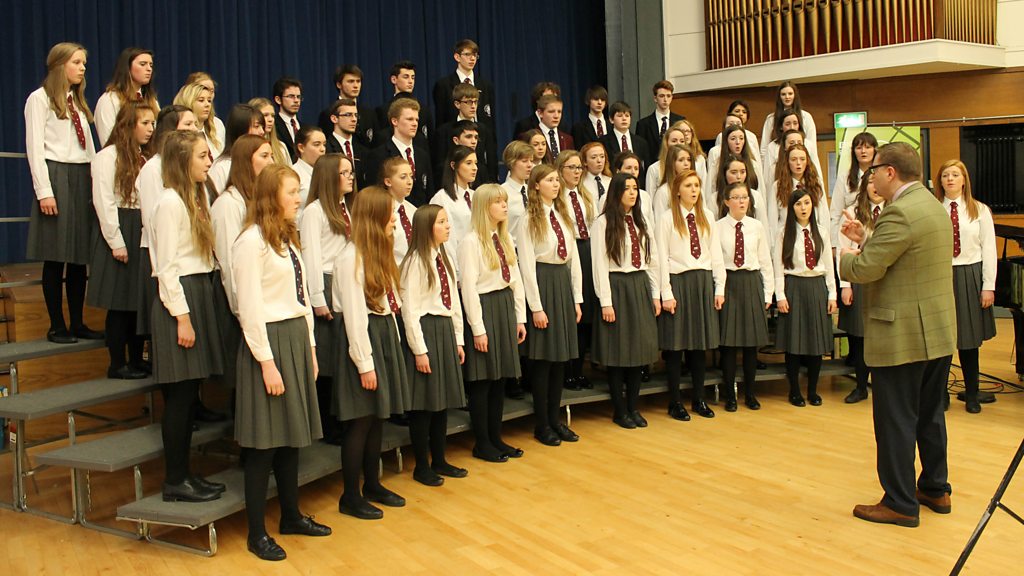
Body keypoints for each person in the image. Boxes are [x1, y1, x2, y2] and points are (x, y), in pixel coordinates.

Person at [841, 142, 956, 528]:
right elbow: (905, 256)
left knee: (895, 419)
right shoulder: (932, 205)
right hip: (936, 331)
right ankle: (935, 488)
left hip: (903, 334)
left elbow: (866, 270)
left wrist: (844, 255)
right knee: (929, 415)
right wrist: (866, 239)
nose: (870, 176)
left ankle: (900, 503)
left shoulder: (899, 212)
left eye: (874, 169)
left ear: (890, 172)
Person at [233, 164, 331, 561]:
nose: (298, 198)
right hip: (268, 344)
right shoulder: (250, 242)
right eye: (291, 192)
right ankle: (256, 533)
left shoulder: (287, 239)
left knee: (291, 437)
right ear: (271, 196)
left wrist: (310, 348)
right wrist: (266, 362)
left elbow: (301, 296)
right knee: (264, 445)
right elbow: (249, 308)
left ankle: (291, 516)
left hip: (294, 338)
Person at [149, 130, 224, 502]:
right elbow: (166, 268)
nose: (209, 162)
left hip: (197, 292)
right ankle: (175, 480)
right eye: (202, 156)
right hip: (178, 300)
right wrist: (182, 317)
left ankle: (187, 474)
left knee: (190, 394)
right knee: (179, 398)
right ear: (182, 161)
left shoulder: (194, 197)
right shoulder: (168, 203)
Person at [332, 187, 411, 520]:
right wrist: (365, 363)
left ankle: (373, 484)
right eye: (389, 214)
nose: (395, 220)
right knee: (361, 420)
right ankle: (350, 495)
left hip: (381, 333)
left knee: (378, 416)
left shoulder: (379, 251)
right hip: (362, 340)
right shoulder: (351, 257)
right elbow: (354, 316)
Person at [25, 42, 103, 344]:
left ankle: (78, 322)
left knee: (79, 257)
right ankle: (56, 325)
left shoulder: (77, 102)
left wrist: (96, 180)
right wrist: (44, 191)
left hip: (81, 175)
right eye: (76, 62)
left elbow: (89, 148)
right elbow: (35, 149)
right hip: (57, 176)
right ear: (59, 65)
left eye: (84, 63)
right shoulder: (39, 99)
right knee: (56, 255)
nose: (83, 68)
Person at [399, 205, 470, 486]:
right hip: (426, 332)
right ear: (427, 227)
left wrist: (458, 339)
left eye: (447, 221)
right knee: (424, 405)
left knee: (441, 403)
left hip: (443, 330)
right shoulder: (415, 262)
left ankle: (440, 459)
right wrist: (419, 350)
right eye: (442, 222)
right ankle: (421, 466)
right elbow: (410, 310)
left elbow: (453, 303)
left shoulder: (443, 256)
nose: (448, 226)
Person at [458, 184, 528, 462]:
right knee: (483, 380)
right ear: (484, 207)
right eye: (498, 202)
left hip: (503, 306)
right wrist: (478, 329)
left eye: (505, 201)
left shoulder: (504, 237)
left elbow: (515, 279)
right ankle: (482, 442)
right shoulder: (470, 242)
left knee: (500, 379)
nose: (504, 206)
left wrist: (519, 317)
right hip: (484, 309)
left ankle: (496, 438)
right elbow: (469, 289)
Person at [88, 101, 155, 378]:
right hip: (120, 227)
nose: (151, 129)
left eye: (152, 123)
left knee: (136, 301)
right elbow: (103, 201)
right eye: (145, 123)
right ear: (128, 125)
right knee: (119, 302)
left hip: (140, 226)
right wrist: (116, 241)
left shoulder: (145, 157)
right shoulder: (107, 157)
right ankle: (117, 363)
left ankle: (137, 359)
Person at [517, 164, 583, 445]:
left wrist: (576, 298)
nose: (556, 185)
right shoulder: (527, 220)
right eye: (549, 180)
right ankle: (542, 423)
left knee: (560, 360)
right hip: (543, 284)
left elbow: (573, 259)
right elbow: (526, 266)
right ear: (536, 186)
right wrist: (536, 307)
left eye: (557, 180)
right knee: (544, 361)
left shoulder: (562, 214)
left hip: (561, 284)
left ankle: (556, 420)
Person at [591, 173, 660, 428]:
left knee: (638, 351)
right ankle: (620, 410)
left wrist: (655, 294)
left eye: (635, 188)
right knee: (618, 352)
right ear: (616, 192)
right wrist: (606, 301)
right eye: (627, 188)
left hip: (639, 284)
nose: (632, 192)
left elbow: (652, 260)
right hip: (617, 286)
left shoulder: (641, 221)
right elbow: (599, 265)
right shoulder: (603, 223)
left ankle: (633, 406)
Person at [300, 154, 356, 445]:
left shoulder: (347, 206)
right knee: (327, 357)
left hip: (345, 283)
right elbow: (310, 256)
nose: (350, 177)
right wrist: (317, 298)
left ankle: (341, 417)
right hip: (325, 283)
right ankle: (326, 424)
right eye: (344, 173)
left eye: (350, 172)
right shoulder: (314, 211)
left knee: (342, 353)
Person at [656, 170, 722, 420]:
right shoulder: (666, 219)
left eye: (696, 185)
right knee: (676, 346)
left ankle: (699, 399)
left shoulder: (707, 216)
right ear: (677, 191)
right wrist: (666, 292)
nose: (693, 190)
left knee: (698, 346)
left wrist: (719, 287)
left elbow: (715, 254)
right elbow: (661, 257)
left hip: (702, 282)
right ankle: (675, 401)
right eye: (688, 185)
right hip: (678, 281)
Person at [211, 135, 274, 392]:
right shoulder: (228, 203)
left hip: (260, 297)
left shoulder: (259, 198)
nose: (271, 162)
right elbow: (228, 263)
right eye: (264, 156)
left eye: (271, 155)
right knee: (243, 376)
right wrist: (242, 312)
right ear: (247, 161)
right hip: (236, 301)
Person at [935, 160, 996, 414]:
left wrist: (988, 286)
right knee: (941, 340)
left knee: (969, 341)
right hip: (941, 276)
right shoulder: (934, 209)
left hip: (970, 274)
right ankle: (941, 396)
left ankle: (972, 394)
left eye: (955, 175)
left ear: (964, 180)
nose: (950, 179)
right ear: (940, 181)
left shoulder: (979, 210)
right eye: (945, 175)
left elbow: (989, 249)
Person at [136, 106, 198, 340]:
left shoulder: (189, 167)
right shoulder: (153, 169)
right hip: (162, 258)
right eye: (188, 125)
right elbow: (154, 223)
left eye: (195, 124)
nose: (195, 130)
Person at [774, 187, 837, 407]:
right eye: (799, 204)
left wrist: (832, 294)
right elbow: (778, 266)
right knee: (794, 342)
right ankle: (794, 390)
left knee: (815, 342)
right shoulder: (784, 233)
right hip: (794, 287)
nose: (803, 208)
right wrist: (780, 295)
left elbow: (829, 266)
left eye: (807, 203)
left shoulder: (821, 232)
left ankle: (813, 390)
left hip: (817, 286)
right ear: (792, 208)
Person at [716, 182, 773, 412]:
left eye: (745, 197)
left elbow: (765, 261)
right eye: (736, 197)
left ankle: (750, 393)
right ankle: (730, 395)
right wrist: (718, 290)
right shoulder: (718, 227)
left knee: (751, 345)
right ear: (726, 201)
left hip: (751, 282)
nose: (741, 201)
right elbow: (716, 261)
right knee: (729, 345)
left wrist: (768, 292)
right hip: (729, 282)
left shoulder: (756, 226)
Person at [838, 176, 884, 404]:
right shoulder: (852, 212)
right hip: (858, 277)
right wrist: (846, 285)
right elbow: (843, 250)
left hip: (883, 279)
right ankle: (860, 386)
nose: (875, 187)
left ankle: (883, 386)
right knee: (859, 336)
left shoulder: (893, 211)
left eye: (878, 182)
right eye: (870, 183)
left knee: (882, 334)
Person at [556, 151, 597, 391]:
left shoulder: (585, 194)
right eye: (571, 167)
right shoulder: (558, 198)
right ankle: (566, 373)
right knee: (570, 313)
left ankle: (579, 370)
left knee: (585, 315)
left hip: (587, 251)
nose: (576, 172)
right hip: (569, 252)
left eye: (579, 167)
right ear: (560, 170)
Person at [365, 97, 433, 206]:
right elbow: (374, 193)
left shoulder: (422, 155)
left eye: (416, 120)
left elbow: (429, 191)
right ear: (394, 121)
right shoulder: (378, 155)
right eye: (409, 119)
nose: (415, 124)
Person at [768, 144, 828, 251]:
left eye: (802, 159)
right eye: (794, 159)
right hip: (787, 237)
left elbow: (823, 214)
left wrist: (824, 240)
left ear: (807, 161)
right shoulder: (778, 186)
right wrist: (773, 248)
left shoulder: (816, 183)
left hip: (811, 235)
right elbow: (772, 220)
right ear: (787, 162)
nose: (798, 163)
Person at [95, 47, 158, 146]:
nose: (149, 69)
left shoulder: (151, 100)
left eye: (151, 65)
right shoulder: (110, 100)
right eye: (143, 64)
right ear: (127, 67)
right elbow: (107, 140)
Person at [432, 39, 496, 131]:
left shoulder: (486, 85)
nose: (472, 58)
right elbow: (441, 121)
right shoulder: (443, 85)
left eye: (475, 55)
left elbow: (490, 120)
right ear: (457, 57)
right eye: (467, 54)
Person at [830, 132, 878, 247]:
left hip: (876, 227)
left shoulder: (880, 175)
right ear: (853, 151)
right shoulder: (844, 177)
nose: (863, 151)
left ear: (874, 150)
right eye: (859, 147)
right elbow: (836, 213)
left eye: (867, 147)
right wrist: (834, 244)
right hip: (850, 233)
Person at [208, 103, 265, 193]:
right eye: (256, 126)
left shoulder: (260, 162)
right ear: (241, 129)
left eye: (262, 127)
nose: (262, 132)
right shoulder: (222, 167)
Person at [376, 61, 433, 148]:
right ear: (394, 79)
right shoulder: (383, 110)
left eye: (413, 77)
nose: (410, 81)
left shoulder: (424, 109)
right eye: (406, 77)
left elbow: (430, 141)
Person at [318, 64, 376, 149]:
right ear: (339, 84)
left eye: (358, 81)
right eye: (350, 81)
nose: (356, 85)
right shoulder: (328, 114)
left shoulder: (369, 113)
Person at [759, 81, 816, 162]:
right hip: (777, 159)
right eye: (783, 94)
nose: (787, 97)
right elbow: (764, 148)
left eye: (790, 93)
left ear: (795, 95)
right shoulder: (771, 118)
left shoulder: (806, 117)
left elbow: (812, 145)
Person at [636, 80, 684, 164]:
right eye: (662, 96)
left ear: (672, 98)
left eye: (668, 96)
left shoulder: (680, 121)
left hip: (676, 164)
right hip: (652, 166)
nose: (665, 99)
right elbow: (640, 151)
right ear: (655, 98)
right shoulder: (643, 124)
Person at [600, 101, 650, 182]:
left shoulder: (641, 142)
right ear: (611, 119)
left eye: (627, 115)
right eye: (620, 116)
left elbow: (645, 168)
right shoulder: (603, 142)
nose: (624, 119)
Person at [324, 98, 369, 186]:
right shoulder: (325, 149)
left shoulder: (363, 150)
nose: (354, 119)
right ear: (334, 119)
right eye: (348, 115)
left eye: (356, 115)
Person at [383, 157, 417, 266]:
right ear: (388, 181)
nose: (409, 182)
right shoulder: (382, 211)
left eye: (411, 176)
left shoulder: (413, 210)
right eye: (403, 177)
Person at [174, 81, 222, 157]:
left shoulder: (215, 129)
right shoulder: (180, 138)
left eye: (209, 100)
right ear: (188, 102)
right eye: (201, 100)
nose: (207, 104)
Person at [645, 124, 690, 197]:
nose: (678, 144)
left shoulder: (689, 165)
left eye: (682, 141)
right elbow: (650, 198)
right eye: (674, 141)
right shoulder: (654, 169)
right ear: (666, 144)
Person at [249, 97, 293, 167]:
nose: (270, 120)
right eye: (265, 115)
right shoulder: (245, 147)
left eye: (272, 116)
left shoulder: (281, 147)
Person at [293, 125, 327, 210]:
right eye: (317, 144)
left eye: (324, 144)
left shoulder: (327, 172)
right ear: (301, 147)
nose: (323, 149)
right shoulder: (293, 174)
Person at [273, 76, 303, 162]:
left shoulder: (304, 128)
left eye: (298, 97)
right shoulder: (273, 127)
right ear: (278, 100)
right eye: (291, 96)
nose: (296, 100)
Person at [535, 94, 574, 159]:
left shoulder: (568, 139)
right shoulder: (530, 137)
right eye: (551, 112)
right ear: (540, 113)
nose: (556, 116)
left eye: (559, 112)